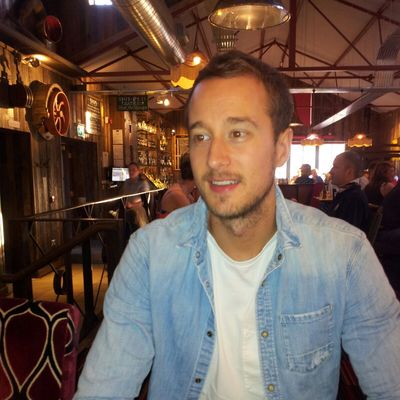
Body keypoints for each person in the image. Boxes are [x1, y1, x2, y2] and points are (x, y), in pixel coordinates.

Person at [74, 51, 400, 400]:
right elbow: (104, 388)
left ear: (281, 147)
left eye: (238, 132)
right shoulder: (150, 254)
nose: (214, 158)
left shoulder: (345, 254)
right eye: (201, 136)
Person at [326, 151, 370, 232]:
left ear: (349, 172)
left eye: (335, 167)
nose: (330, 171)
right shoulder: (346, 193)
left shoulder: (354, 198)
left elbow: (346, 234)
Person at [119, 161, 152, 234]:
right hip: (126, 207)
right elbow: (123, 195)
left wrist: (132, 205)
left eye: (133, 170)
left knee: (132, 215)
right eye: (129, 170)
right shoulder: (126, 182)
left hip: (138, 209)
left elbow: (145, 201)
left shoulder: (143, 183)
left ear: (138, 171)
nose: (131, 172)